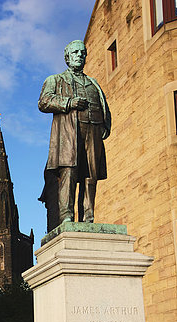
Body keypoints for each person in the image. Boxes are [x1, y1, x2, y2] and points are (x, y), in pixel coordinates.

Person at [38, 40, 111, 230]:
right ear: (67, 57)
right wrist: (69, 103)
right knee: (69, 172)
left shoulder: (93, 83)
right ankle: (66, 216)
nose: (79, 55)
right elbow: (44, 102)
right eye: (75, 52)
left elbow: (104, 106)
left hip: (93, 130)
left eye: (82, 52)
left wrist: (105, 126)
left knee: (90, 175)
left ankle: (89, 216)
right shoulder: (55, 80)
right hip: (70, 131)